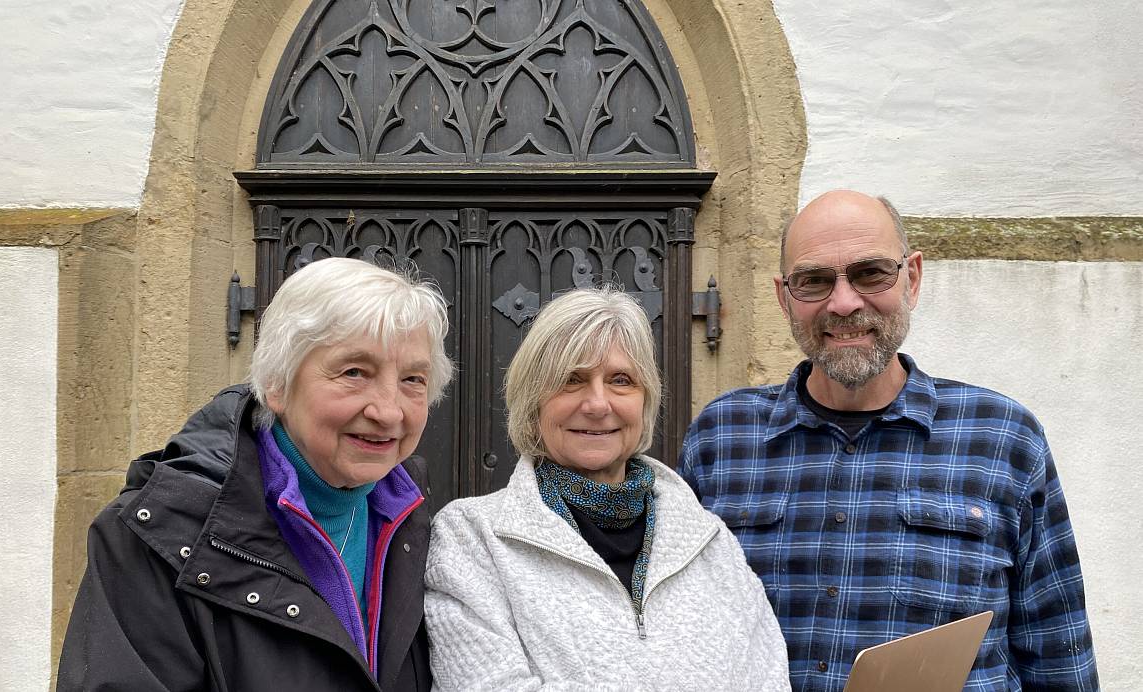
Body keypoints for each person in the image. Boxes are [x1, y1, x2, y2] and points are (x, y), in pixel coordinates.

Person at [680, 190, 1098, 690]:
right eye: (813, 281)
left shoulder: (1002, 437)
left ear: (912, 277)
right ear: (783, 296)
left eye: (870, 273)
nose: (843, 302)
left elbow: (1058, 652)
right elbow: (681, 635)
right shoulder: (721, 438)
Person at [58, 257, 453, 690]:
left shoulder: (413, 522)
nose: (388, 411)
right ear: (278, 384)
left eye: (413, 379)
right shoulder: (158, 532)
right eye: (354, 372)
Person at [424, 287, 790, 690]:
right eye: (571, 380)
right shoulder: (472, 537)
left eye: (621, 380)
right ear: (534, 402)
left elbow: (768, 678)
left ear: (645, 400)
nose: (598, 404)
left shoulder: (709, 540)